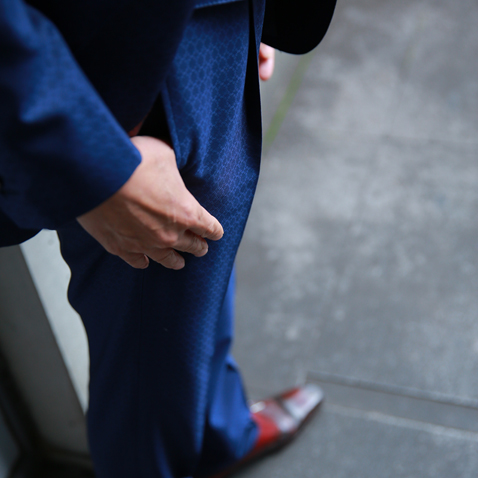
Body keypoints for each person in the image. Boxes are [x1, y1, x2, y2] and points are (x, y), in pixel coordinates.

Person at [0, 0, 336, 477]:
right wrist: (91, 163)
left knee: (200, 284)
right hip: (103, 81)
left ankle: (220, 435)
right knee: (146, 367)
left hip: (196, 24)